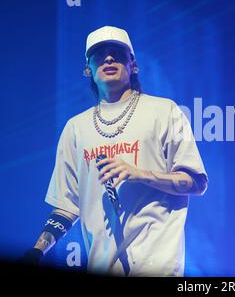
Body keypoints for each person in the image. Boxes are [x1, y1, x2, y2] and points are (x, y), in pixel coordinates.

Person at [20, 25, 208, 276]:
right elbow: (67, 206)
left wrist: (139, 174)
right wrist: (37, 251)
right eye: (99, 54)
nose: (108, 58)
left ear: (133, 64)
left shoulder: (165, 111)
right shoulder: (76, 127)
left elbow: (196, 182)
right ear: (88, 68)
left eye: (117, 53)